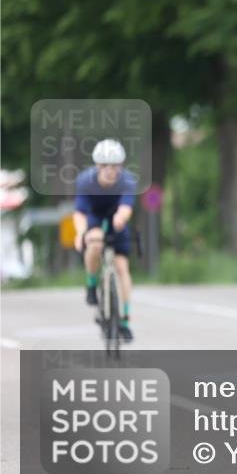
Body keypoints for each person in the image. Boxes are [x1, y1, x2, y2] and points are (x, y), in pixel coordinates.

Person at [73, 139, 137, 342]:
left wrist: (121, 218)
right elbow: (79, 213)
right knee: (95, 243)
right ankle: (91, 284)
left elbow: (126, 208)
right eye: (105, 165)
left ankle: (125, 320)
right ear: (97, 166)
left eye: (115, 165)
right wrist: (82, 232)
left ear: (121, 165)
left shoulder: (127, 181)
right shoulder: (85, 181)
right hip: (94, 218)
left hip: (117, 219)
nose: (110, 170)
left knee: (122, 267)